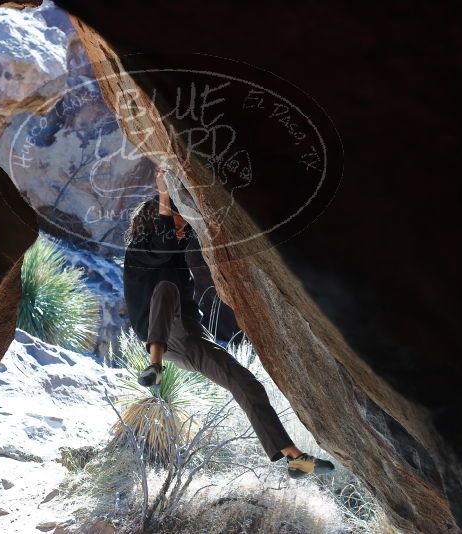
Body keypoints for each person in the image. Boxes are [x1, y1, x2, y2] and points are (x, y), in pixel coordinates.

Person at [122, 166, 334, 477]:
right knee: (166, 288)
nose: (180, 232)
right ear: (155, 223)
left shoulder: (176, 255)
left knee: (246, 383)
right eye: (175, 225)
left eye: (182, 227)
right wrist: (165, 194)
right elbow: (163, 243)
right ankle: (154, 365)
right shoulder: (138, 252)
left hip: (189, 341)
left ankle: (295, 458)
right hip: (162, 336)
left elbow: (186, 239)